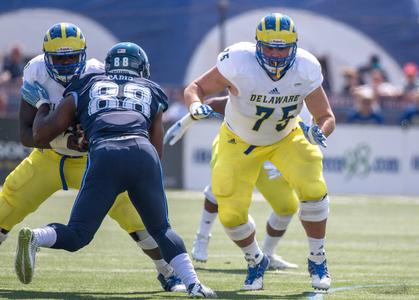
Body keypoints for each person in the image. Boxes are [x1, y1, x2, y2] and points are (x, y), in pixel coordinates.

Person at [14, 41, 216, 298]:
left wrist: (44, 103)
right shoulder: (152, 90)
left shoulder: (85, 86)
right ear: (142, 68)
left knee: (78, 234)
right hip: (142, 152)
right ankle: (194, 286)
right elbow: (157, 149)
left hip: (104, 155)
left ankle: (36, 236)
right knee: (161, 229)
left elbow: (43, 134)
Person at [183, 13, 335, 290]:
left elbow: (326, 116)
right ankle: (255, 260)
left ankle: (317, 258)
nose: (276, 55)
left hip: (286, 136)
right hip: (239, 141)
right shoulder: (238, 61)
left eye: (282, 48)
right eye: (269, 47)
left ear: (294, 47)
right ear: (257, 45)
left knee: (313, 186)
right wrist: (194, 106)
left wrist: (319, 132)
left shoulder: (306, 67)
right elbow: (196, 88)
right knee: (230, 214)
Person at [164, 96, 298, 270]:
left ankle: (268, 254)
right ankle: (202, 237)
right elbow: (216, 102)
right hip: (234, 145)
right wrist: (187, 120)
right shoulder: (255, 86)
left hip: (269, 154)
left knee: (287, 206)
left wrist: (287, 155)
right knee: (220, 187)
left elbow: (303, 128)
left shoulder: (296, 92)